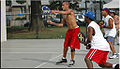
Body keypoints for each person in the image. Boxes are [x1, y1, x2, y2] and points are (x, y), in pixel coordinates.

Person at [47, 2, 80, 66]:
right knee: (65, 45)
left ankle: (72, 60)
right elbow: (62, 24)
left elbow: (65, 12)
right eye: (62, 5)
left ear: (67, 5)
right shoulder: (64, 15)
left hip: (75, 30)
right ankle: (64, 58)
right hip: (69, 31)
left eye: (63, 5)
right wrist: (52, 23)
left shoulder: (70, 11)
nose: (62, 7)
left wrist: (55, 11)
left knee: (72, 45)